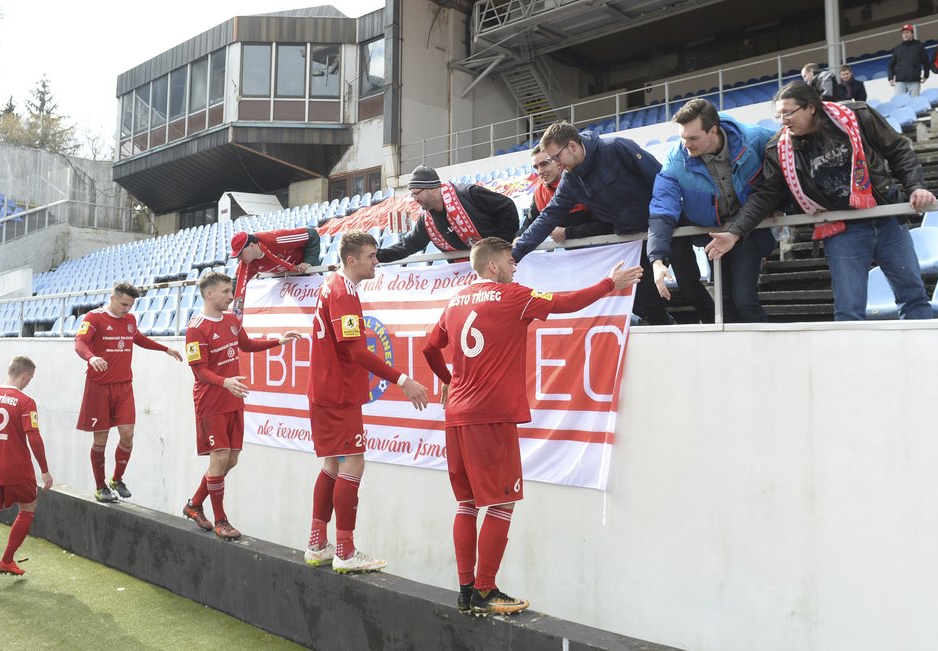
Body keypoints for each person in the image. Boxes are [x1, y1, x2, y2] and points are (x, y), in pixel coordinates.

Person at [421, 237, 642, 616]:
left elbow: (429, 347)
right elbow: (566, 303)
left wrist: (449, 380)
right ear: (493, 266)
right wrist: (611, 284)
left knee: (467, 502)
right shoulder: (513, 297)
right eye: (509, 260)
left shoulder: (455, 301)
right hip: (491, 416)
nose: (514, 266)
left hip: (457, 415)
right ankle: (487, 590)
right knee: (503, 501)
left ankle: (465, 589)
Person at [705, 81, 934, 321]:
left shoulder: (857, 115)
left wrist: (915, 186)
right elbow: (765, 194)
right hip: (842, 228)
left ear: (811, 107)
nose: (783, 120)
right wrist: (735, 233)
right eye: (779, 114)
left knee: (914, 294)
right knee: (848, 309)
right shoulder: (779, 148)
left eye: (788, 112)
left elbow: (898, 150)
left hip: (886, 218)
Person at [304, 231, 429, 573]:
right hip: (338, 393)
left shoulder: (333, 284)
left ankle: (317, 543)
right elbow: (356, 352)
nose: (377, 261)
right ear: (352, 260)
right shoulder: (343, 292)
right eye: (372, 256)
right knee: (353, 465)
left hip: (325, 389)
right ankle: (345, 551)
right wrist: (403, 380)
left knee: (332, 465)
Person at [513, 121, 715, 325]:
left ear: (572, 146)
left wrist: (664, 224)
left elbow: (662, 182)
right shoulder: (570, 181)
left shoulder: (617, 148)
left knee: (691, 290)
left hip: (668, 229)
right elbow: (548, 217)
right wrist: (515, 255)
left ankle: (717, 337)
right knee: (649, 302)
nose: (557, 164)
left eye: (557, 157)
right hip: (633, 242)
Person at [181, 272, 299, 540]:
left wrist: (278, 341)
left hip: (233, 397)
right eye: (225, 291)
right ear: (209, 294)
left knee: (230, 460)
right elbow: (198, 371)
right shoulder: (196, 328)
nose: (230, 295)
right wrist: (224, 382)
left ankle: (194, 504)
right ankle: (221, 521)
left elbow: (245, 344)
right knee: (220, 458)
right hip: (211, 401)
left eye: (230, 290)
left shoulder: (232, 320)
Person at [648, 99, 776, 322]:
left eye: (693, 138)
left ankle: (765, 355)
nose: (686, 144)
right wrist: (657, 258)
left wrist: (781, 206)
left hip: (747, 228)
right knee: (725, 306)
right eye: (682, 137)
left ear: (713, 131)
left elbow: (782, 174)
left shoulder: (755, 138)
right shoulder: (674, 159)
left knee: (744, 300)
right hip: (712, 234)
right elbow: (662, 207)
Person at [75, 281, 183, 503]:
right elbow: (80, 343)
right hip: (99, 387)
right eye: (124, 304)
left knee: (127, 434)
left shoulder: (130, 320)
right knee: (101, 439)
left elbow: (138, 339)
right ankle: (99, 486)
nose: (127, 309)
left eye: (131, 305)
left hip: (124, 386)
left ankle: (117, 479)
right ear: (113, 298)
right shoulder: (93, 318)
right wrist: (91, 357)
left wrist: (165, 349)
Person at [0, 356, 53, 592]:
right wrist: (45, 470)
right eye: (31, 378)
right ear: (25, 375)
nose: (30, 382)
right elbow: (34, 438)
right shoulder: (25, 401)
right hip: (17, 468)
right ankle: (6, 559)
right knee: (28, 507)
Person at [376, 165, 519, 263]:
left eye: (416, 194)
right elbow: (406, 246)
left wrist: (502, 246)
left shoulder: (469, 194)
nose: (415, 200)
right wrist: (375, 255)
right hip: (468, 273)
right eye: (412, 195)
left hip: (499, 260)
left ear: (432, 189)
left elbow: (507, 207)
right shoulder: (426, 221)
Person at [516, 144, 611, 241]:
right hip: (568, 253)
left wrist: (567, 233)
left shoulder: (583, 184)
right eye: (536, 167)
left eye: (544, 164)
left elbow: (607, 225)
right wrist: (518, 237)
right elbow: (530, 222)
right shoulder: (539, 193)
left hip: (601, 250)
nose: (539, 171)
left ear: (558, 162)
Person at [229, 227, 321, 319]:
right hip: (288, 279)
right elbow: (237, 284)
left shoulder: (275, 239)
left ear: (252, 246)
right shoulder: (248, 264)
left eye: (240, 254)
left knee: (318, 306)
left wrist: (309, 260)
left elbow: (311, 234)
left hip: (307, 271)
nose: (239, 259)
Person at [888, 24, 930, 97]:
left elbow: (925, 61)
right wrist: (890, 78)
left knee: (915, 103)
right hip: (900, 80)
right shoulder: (898, 48)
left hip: (914, 79)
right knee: (900, 103)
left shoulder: (919, 46)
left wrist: (926, 75)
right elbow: (891, 64)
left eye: (907, 32)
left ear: (912, 34)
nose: (905, 35)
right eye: (903, 33)